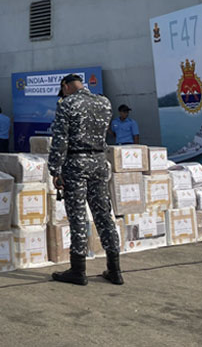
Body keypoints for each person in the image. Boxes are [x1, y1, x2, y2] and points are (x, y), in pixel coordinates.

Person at [49, 74, 122, 286]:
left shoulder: (67, 103)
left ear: (66, 86)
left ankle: (78, 270)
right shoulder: (104, 102)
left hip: (76, 164)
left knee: (78, 215)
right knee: (103, 215)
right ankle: (115, 269)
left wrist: (55, 169)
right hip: (99, 162)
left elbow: (60, 139)